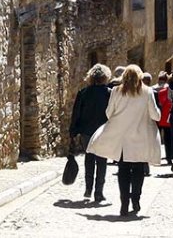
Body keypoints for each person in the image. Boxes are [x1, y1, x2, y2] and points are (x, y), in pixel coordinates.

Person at [87, 65, 162, 217]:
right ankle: (136, 199)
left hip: (122, 140)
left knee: (123, 170)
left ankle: (124, 203)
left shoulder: (116, 91)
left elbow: (109, 113)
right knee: (139, 170)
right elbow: (156, 116)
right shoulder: (147, 92)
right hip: (140, 139)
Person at [69, 64, 113, 202]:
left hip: (86, 131)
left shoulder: (83, 93)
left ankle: (88, 189)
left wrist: (73, 131)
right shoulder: (109, 93)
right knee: (102, 161)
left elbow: (76, 113)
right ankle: (99, 192)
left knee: (89, 160)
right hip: (103, 131)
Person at [155, 72, 173, 164]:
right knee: (169, 139)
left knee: (159, 138)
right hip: (171, 118)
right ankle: (170, 157)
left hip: (161, 118)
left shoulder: (162, 92)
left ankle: (157, 156)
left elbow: (160, 104)